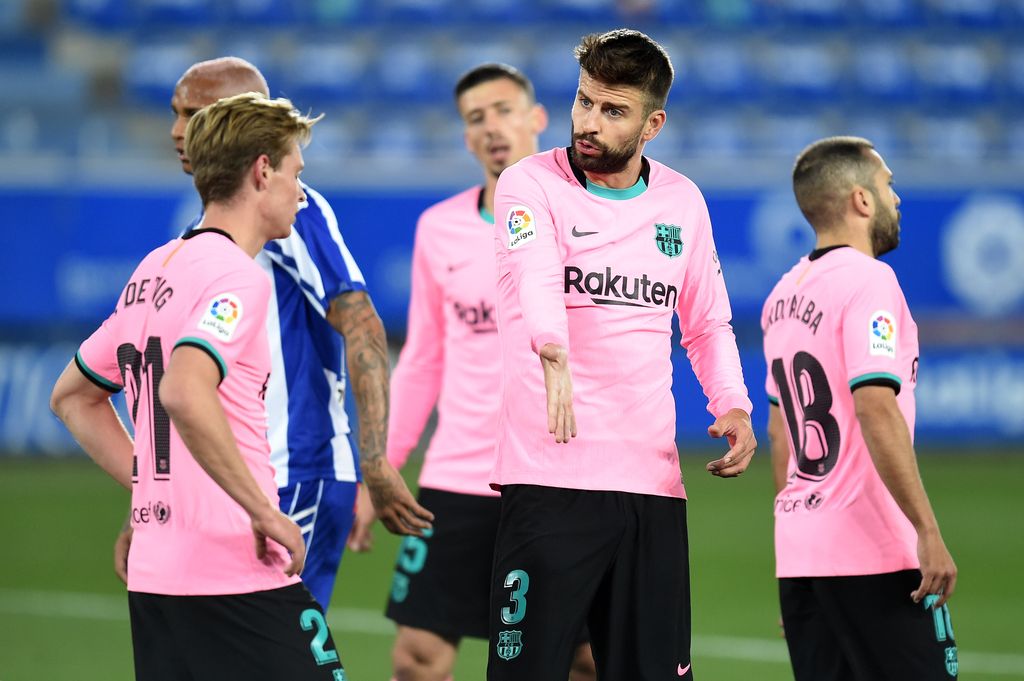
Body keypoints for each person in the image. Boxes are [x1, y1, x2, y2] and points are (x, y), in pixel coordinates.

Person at [112, 56, 432, 611]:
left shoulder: (290, 211)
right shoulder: (200, 237)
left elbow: (360, 323)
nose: (175, 130)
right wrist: (148, 502)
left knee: (278, 655)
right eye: (173, 113)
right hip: (230, 480)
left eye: (190, 113)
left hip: (294, 472)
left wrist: (374, 464)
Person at [488, 29, 757, 681]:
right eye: (584, 102)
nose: (589, 121)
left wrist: (735, 405)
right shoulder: (530, 184)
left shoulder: (681, 202)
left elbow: (707, 321)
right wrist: (553, 349)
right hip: (550, 479)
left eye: (613, 111)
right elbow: (537, 278)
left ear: (652, 122)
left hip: (649, 486)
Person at [50, 93, 347, 680]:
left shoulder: (153, 269)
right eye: (295, 172)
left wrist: (148, 489)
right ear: (263, 171)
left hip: (158, 574)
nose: (300, 191)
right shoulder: (237, 278)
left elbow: (73, 397)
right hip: (233, 568)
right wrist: (263, 511)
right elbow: (185, 388)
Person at [347, 63, 594, 681]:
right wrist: (378, 468)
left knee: (582, 660)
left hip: (559, 476)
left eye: (505, 110)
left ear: (538, 120)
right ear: (465, 137)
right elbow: (424, 359)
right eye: (476, 118)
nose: (492, 128)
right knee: (417, 658)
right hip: (457, 478)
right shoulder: (439, 228)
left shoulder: (589, 219)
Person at [762, 136, 958, 680]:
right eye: (889, 185)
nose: (897, 199)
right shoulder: (871, 282)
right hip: (875, 550)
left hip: (802, 551)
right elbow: (875, 407)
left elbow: (781, 432)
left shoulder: (781, 296)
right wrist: (926, 529)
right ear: (861, 200)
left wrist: (798, 559)